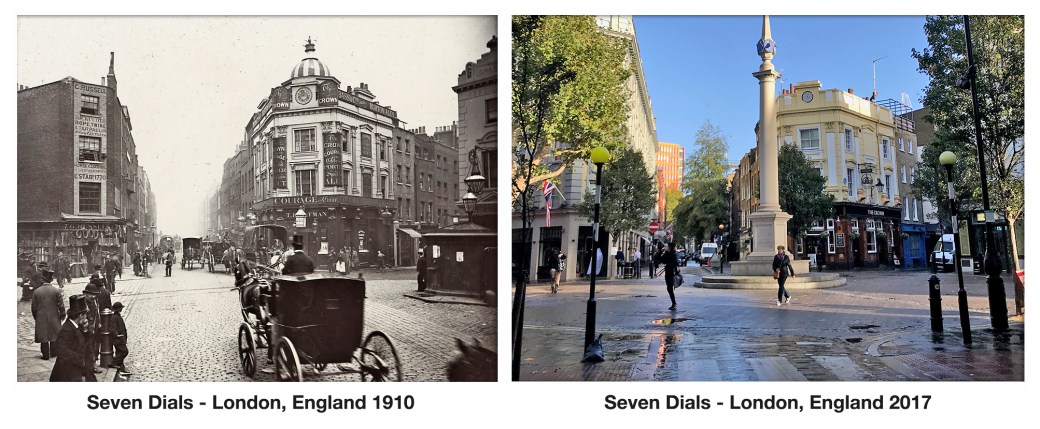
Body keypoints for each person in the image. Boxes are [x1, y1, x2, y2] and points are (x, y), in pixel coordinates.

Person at [50, 295, 95, 382]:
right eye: (85, 314)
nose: (86, 317)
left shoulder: (77, 326)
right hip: (67, 374)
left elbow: (84, 344)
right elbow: (59, 349)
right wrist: (80, 359)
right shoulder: (67, 329)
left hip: (77, 369)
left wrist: (85, 330)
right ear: (81, 315)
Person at [31, 269, 65, 360]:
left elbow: (34, 308)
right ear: (51, 280)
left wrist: (36, 317)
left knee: (44, 336)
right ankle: (53, 352)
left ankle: (45, 354)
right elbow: (61, 305)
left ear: (42, 279)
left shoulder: (37, 292)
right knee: (54, 335)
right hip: (54, 316)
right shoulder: (56, 291)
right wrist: (62, 315)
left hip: (41, 316)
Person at [81, 280, 103, 374]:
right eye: (91, 294)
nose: (93, 296)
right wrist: (89, 328)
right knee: (87, 348)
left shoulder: (94, 301)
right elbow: (84, 317)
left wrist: (99, 322)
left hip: (95, 328)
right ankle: (88, 367)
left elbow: (96, 313)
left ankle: (92, 365)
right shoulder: (83, 302)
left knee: (94, 347)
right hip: (86, 330)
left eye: (94, 294)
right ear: (86, 293)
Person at [110, 302, 130, 375]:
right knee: (124, 351)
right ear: (119, 309)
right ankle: (114, 363)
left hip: (121, 338)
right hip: (118, 339)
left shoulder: (117, 316)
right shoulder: (115, 317)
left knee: (119, 352)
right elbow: (112, 328)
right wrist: (117, 335)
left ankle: (121, 368)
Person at [662, 242, 680, 310]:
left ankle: (674, 303)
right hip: (668, 272)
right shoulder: (668, 253)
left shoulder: (673, 254)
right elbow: (663, 260)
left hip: (671, 273)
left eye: (668, 246)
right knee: (669, 289)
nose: (667, 247)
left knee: (669, 289)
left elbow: (676, 263)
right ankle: (674, 303)